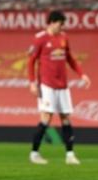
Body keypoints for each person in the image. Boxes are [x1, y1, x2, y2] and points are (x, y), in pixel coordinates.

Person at [27, 10, 91, 165]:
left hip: (62, 85)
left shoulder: (64, 37)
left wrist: (82, 74)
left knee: (66, 118)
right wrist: (32, 82)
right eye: (60, 24)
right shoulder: (40, 38)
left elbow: (70, 58)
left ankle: (70, 155)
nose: (62, 27)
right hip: (47, 85)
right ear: (52, 22)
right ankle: (34, 153)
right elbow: (31, 61)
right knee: (46, 117)